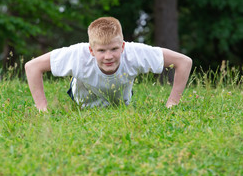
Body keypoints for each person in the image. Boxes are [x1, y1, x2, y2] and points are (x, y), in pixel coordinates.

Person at [25, 17, 192, 112]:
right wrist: (42, 109)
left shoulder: (135, 53)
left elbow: (184, 62)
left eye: (114, 49)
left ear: (123, 46)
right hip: (82, 102)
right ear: (91, 50)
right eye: (101, 51)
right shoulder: (77, 55)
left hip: (120, 102)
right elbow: (32, 67)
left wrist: (173, 104)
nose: (108, 56)